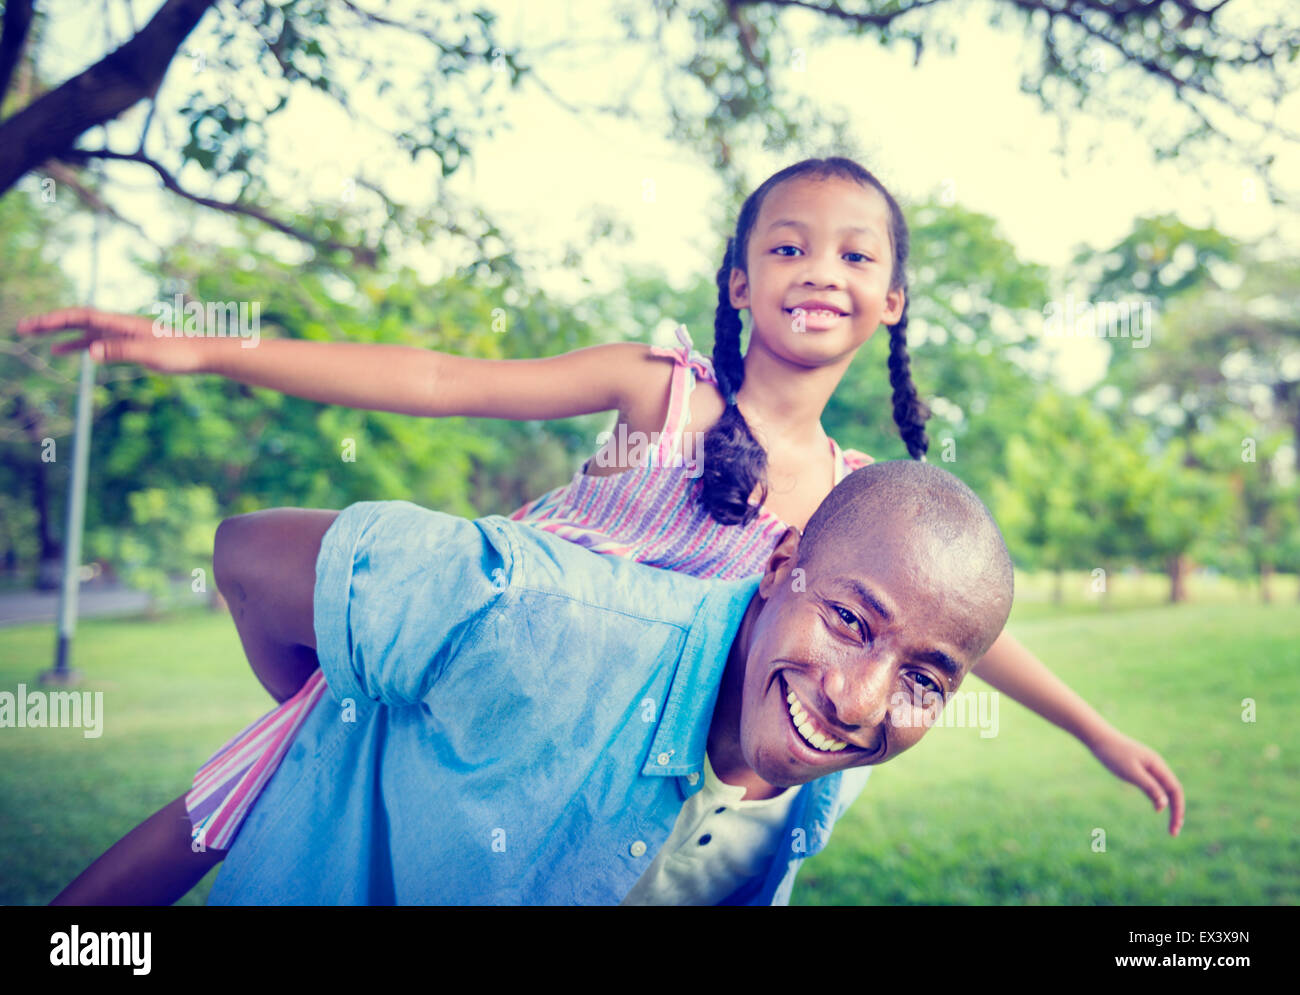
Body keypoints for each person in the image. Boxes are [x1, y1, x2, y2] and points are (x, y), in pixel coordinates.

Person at [29, 157, 1182, 903]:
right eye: (786, 245)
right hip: (476, 666)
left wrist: (1095, 731)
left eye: (853, 253)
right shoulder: (663, 388)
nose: (816, 269)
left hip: (568, 767)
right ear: (736, 282)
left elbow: (956, 636)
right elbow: (438, 376)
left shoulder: (854, 497)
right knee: (256, 787)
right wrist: (203, 346)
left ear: (892, 301)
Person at [77, 460, 1019, 905]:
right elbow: (246, 555)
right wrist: (346, 731)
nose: (859, 700)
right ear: (780, 568)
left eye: (923, 678)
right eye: (850, 621)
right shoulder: (527, 612)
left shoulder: (835, 761)